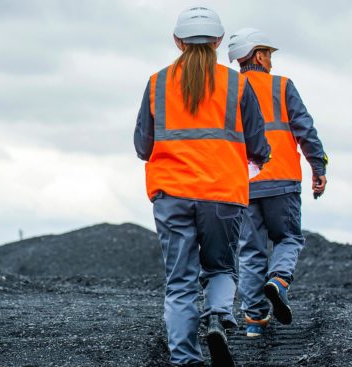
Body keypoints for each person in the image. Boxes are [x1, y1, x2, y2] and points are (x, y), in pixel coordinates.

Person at [134, 7, 271, 366]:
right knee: (222, 269)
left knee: (180, 281)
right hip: (223, 193)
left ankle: (186, 360)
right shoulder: (238, 84)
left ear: (177, 41)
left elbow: (142, 146)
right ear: (219, 41)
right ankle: (217, 315)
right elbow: (259, 146)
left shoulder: (157, 83)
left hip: (172, 193)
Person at [226, 28, 328, 337]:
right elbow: (305, 129)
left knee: (250, 250)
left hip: (243, 183)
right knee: (288, 239)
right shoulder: (282, 86)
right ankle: (279, 281)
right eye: (269, 54)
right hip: (282, 179)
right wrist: (318, 165)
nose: (271, 60)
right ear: (258, 55)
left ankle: (255, 320)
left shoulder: (227, 90)